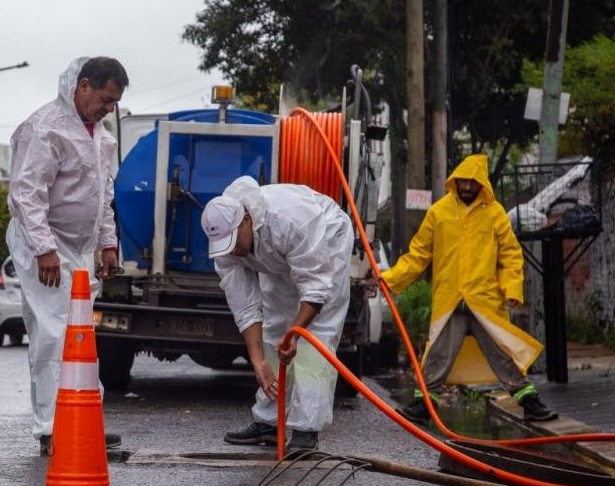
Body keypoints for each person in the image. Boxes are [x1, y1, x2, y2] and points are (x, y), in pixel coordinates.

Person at [6, 56, 129, 455]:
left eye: (114, 103)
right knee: (53, 333)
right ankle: (53, 428)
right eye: (106, 99)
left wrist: (107, 243)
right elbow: (27, 193)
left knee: (80, 334)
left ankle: (82, 419)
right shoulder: (45, 128)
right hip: (44, 242)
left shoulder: (99, 135)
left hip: (77, 248)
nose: (109, 108)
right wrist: (44, 249)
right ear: (83, 85)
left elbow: (103, 196)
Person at [380, 154, 557, 423]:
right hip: (450, 300)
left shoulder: (495, 213)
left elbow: (510, 255)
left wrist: (512, 289)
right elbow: (418, 255)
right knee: (438, 353)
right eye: (462, 181)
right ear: (455, 180)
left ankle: (530, 402)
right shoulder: (438, 212)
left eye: (472, 182)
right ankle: (424, 405)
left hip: (485, 300)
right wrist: (390, 279)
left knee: (503, 353)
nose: (466, 187)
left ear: (481, 184)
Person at [202, 176, 354, 452]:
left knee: (315, 337)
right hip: (278, 254)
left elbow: (317, 289)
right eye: (226, 245)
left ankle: (306, 429)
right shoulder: (226, 244)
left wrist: (295, 335)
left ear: (245, 220)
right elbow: (245, 306)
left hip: (326, 236)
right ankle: (269, 422)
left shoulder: (290, 220)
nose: (233, 250)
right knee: (274, 328)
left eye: (234, 242)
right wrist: (258, 360)